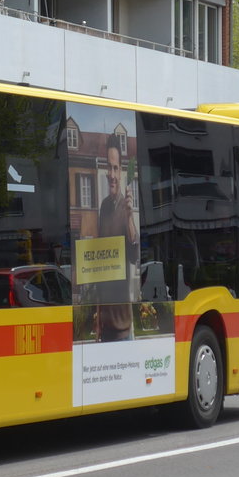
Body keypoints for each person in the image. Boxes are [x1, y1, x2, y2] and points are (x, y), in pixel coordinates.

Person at [94, 143, 140, 341]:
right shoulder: (103, 208)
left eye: (115, 168)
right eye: (108, 167)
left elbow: (134, 256)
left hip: (122, 325)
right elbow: (99, 268)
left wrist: (129, 218)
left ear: (120, 172)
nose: (111, 174)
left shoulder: (126, 207)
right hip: (105, 325)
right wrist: (97, 317)